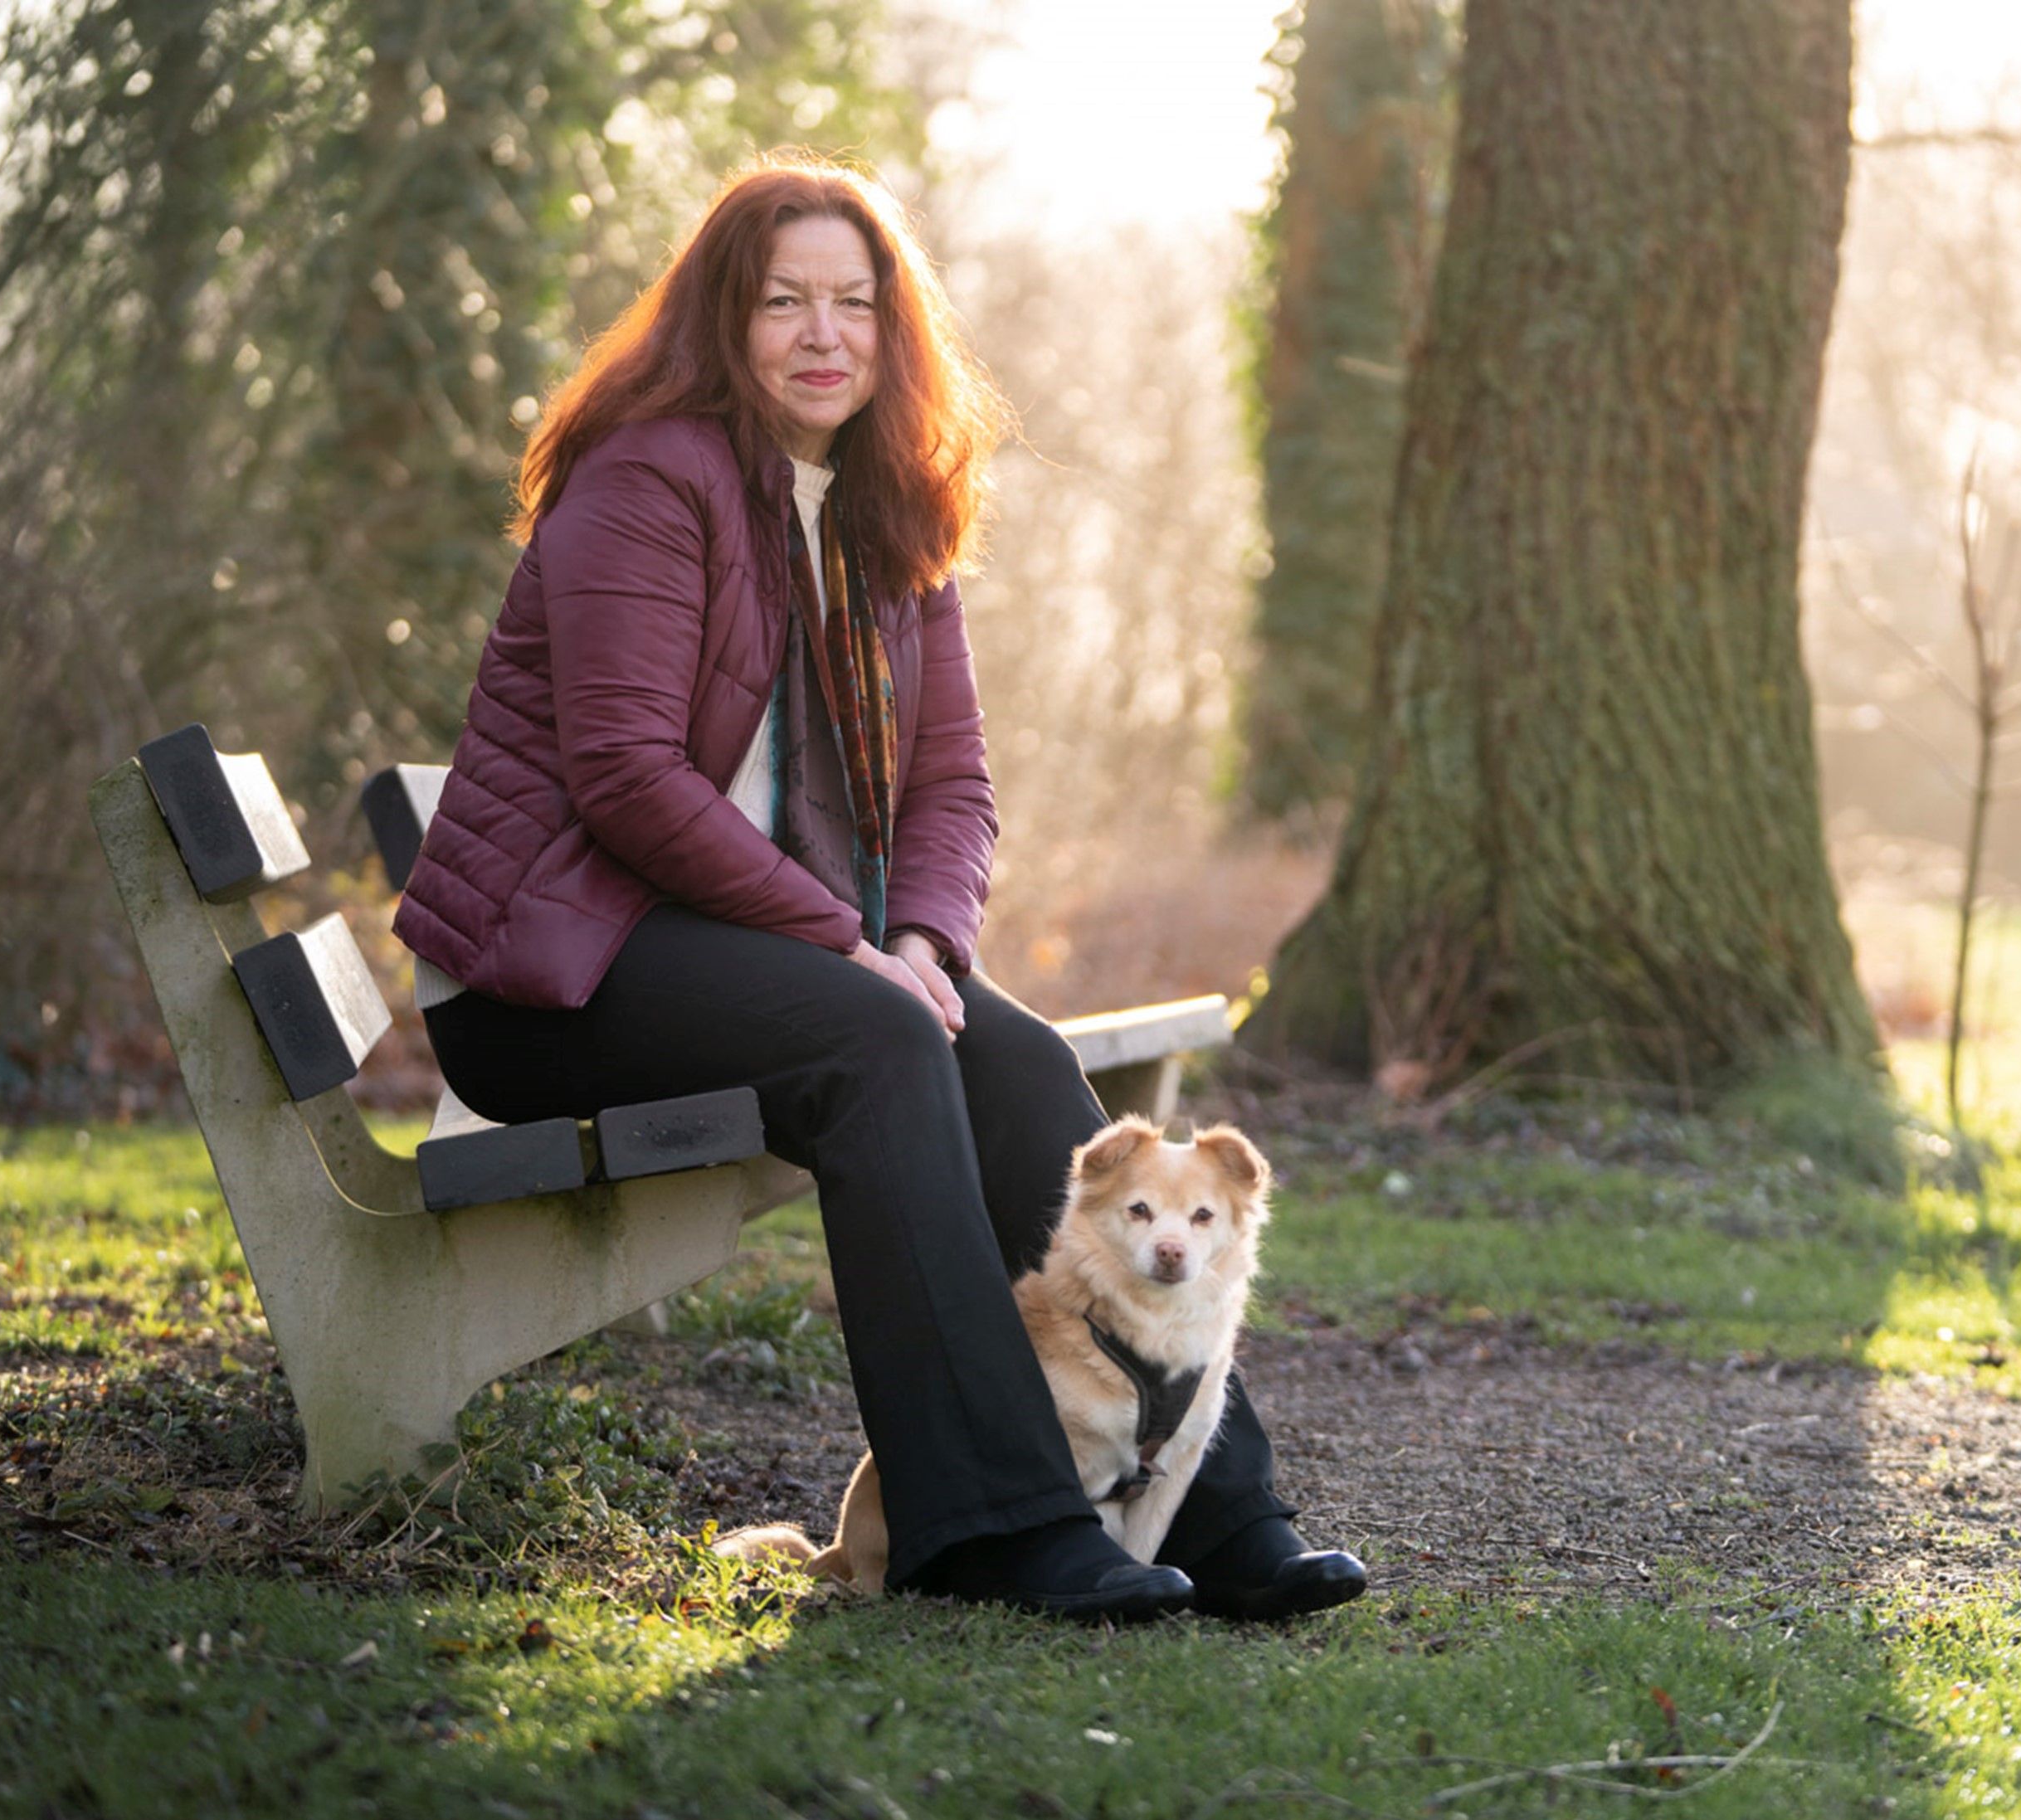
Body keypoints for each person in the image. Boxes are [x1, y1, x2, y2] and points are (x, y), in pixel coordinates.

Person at [393, 156, 1365, 1624]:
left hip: (757, 950)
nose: (822, 333)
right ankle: (992, 1528)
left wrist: (920, 934)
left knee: (1014, 1052)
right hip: (554, 972)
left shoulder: (888, 508)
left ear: (893, 330)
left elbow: (953, 787)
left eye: (855, 302)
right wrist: (853, 949)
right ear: (724, 319)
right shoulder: (647, 476)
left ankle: (1219, 1512)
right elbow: (624, 776)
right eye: (784, 301)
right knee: (883, 1037)